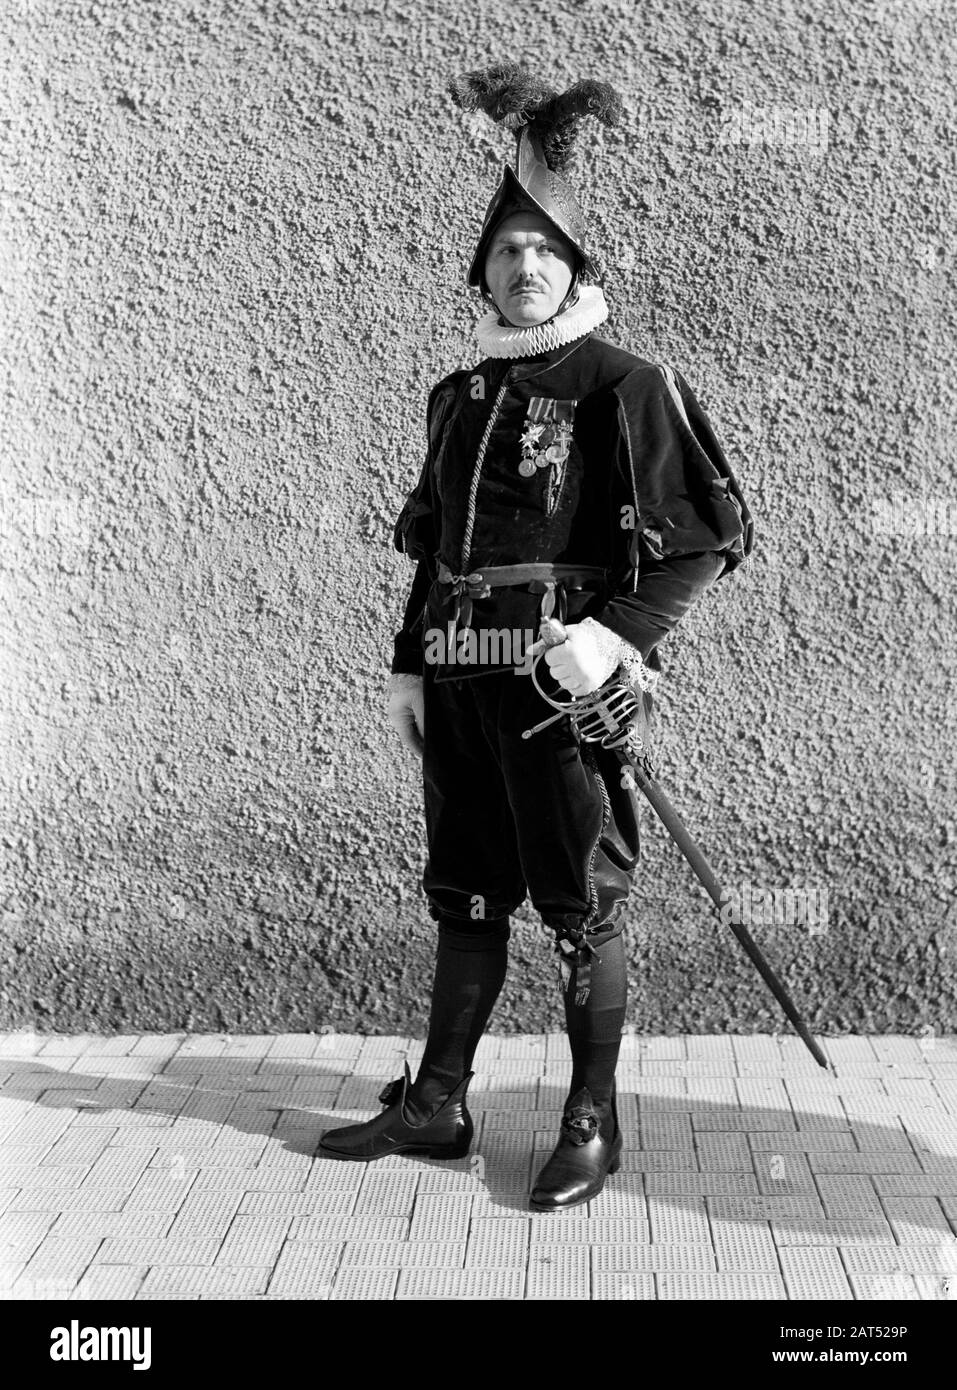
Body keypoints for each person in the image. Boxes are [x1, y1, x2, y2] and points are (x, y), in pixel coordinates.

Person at [319, 63, 753, 1210]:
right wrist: (412, 667)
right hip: (458, 686)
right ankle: (441, 1103)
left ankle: (589, 1120)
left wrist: (615, 638)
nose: (524, 269)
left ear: (575, 267)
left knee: (581, 907)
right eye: (507, 252)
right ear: (484, 268)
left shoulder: (628, 382)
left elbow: (709, 535)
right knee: (463, 891)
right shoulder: (457, 394)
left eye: (544, 254)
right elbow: (438, 551)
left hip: (563, 692)